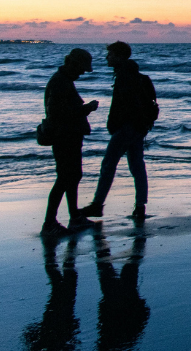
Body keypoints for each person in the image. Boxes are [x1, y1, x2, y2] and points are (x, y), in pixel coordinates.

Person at [79, 41, 158, 221]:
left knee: (108, 165)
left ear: (119, 56)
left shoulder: (124, 76)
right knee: (137, 166)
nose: (107, 58)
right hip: (139, 128)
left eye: (110, 55)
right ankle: (140, 206)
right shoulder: (135, 75)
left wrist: (115, 125)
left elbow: (123, 106)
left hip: (127, 128)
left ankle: (98, 205)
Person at [41, 48, 99, 236]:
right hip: (63, 137)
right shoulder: (60, 83)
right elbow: (58, 114)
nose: (82, 73)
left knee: (72, 177)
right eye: (82, 69)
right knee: (65, 179)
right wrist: (86, 109)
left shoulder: (63, 81)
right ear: (74, 65)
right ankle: (50, 223)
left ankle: (74, 217)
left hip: (70, 136)